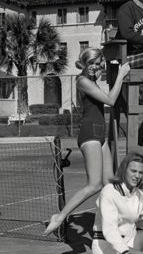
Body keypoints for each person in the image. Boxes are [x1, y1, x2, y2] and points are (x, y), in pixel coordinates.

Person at [44, 48, 130, 236]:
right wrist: (121, 75)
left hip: (100, 135)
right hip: (89, 133)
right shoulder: (82, 81)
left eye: (98, 64)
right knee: (94, 185)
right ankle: (60, 217)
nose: (95, 67)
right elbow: (110, 100)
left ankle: (109, 223)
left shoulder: (91, 81)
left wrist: (102, 72)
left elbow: (101, 91)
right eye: (92, 63)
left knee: (109, 183)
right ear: (85, 63)